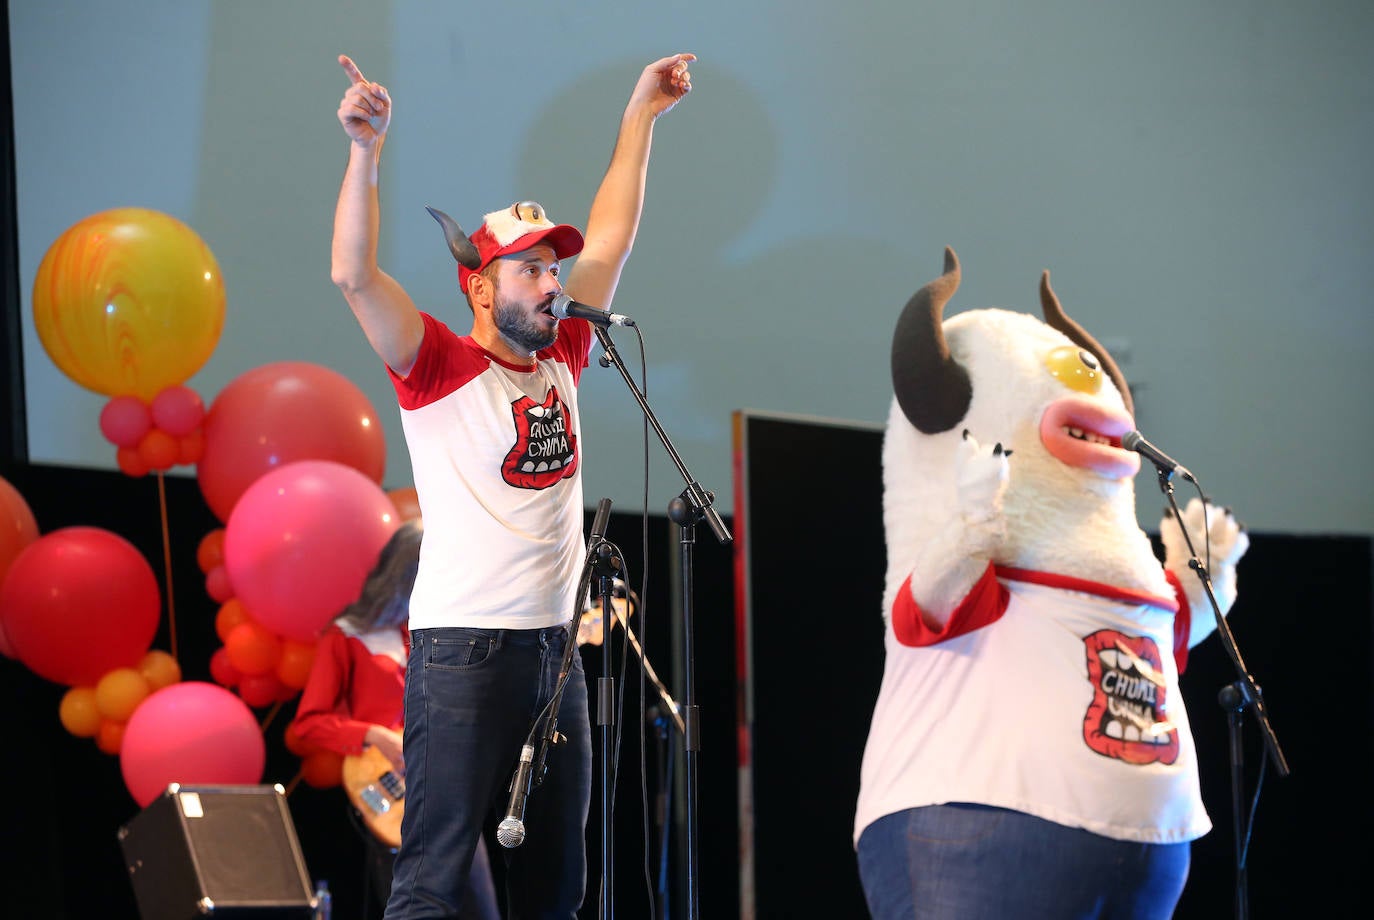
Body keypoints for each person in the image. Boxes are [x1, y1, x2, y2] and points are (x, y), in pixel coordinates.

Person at [329, 50, 695, 918]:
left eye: (553, 268)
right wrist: (365, 155)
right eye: (531, 269)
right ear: (481, 286)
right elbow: (352, 277)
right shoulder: (437, 364)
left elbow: (612, 236)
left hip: (555, 656)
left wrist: (641, 114)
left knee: (557, 888)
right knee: (435, 874)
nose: (554, 282)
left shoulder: (566, 350)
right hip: (465, 654)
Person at [291, 520, 499, 920]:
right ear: (407, 572)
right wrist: (374, 735)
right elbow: (309, 721)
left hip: (447, 787)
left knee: (480, 907)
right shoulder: (347, 635)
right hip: (387, 791)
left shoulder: (435, 633)